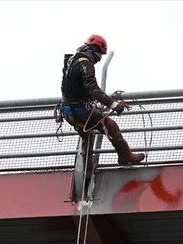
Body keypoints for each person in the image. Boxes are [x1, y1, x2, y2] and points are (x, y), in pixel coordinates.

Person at [60, 34, 145, 166]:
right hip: (81, 111)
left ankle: (87, 168)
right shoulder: (86, 64)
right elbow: (93, 89)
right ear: (94, 51)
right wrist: (113, 104)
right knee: (111, 126)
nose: (98, 60)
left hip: (67, 111)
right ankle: (125, 156)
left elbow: (73, 87)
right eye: (99, 56)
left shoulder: (71, 61)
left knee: (86, 133)